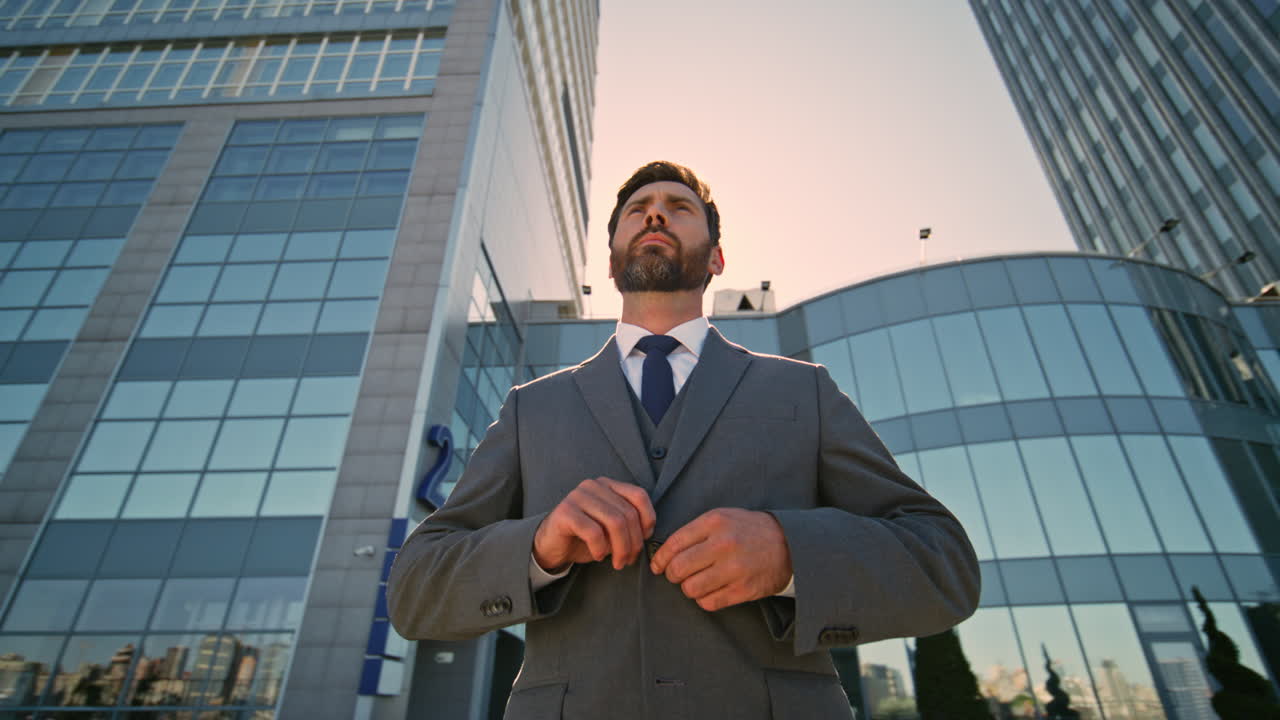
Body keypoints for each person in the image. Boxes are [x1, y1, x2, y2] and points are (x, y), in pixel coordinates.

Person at [387, 161, 980, 719]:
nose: (654, 213)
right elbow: (414, 591)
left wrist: (790, 554)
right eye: (638, 208)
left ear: (717, 257)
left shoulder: (805, 392)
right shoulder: (529, 409)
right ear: (613, 262)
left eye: (678, 206)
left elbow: (944, 564)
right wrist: (538, 547)